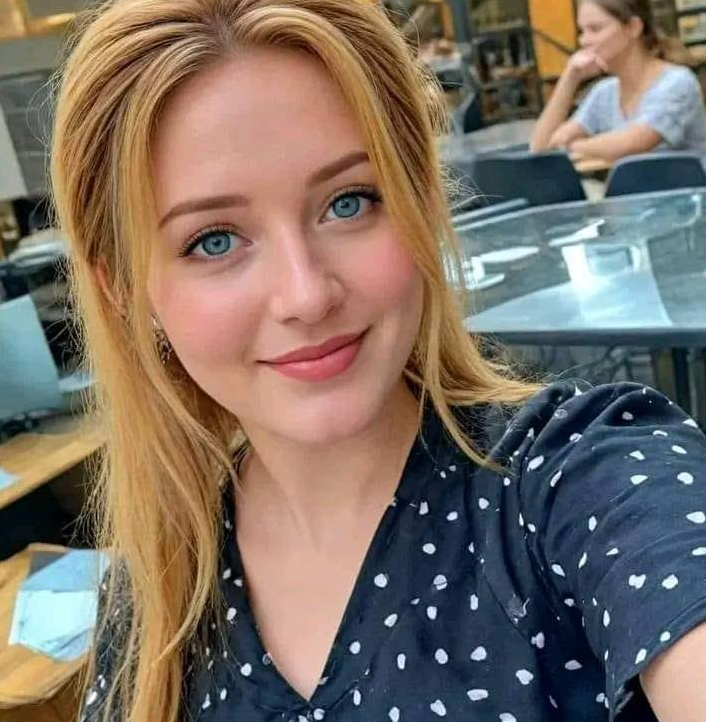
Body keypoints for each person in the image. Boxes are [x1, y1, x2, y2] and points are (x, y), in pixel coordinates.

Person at [50, 1, 706, 721]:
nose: (306, 295)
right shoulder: (153, 598)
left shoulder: (583, 476)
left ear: (419, 199)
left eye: (349, 202)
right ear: (124, 291)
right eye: (214, 241)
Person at [530, 0, 706, 162]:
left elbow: (635, 142)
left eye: (595, 29)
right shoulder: (604, 92)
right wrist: (570, 78)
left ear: (634, 27)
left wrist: (571, 145)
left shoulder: (676, 82)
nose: (584, 41)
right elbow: (540, 149)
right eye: (582, 32)